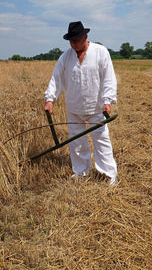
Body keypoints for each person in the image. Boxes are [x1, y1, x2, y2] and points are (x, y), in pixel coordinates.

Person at [44, 21, 117, 185]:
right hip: (74, 107)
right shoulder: (66, 56)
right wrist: (50, 99)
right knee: (77, 142)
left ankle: (109, 175)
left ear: (85, 37)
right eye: (71, 41)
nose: (74, 44)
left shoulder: (100, 52)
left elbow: (109, 78)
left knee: (101, 140)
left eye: (76, 40)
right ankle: (81, 172)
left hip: (96, 107)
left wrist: (107, 100)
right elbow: (57, 79)